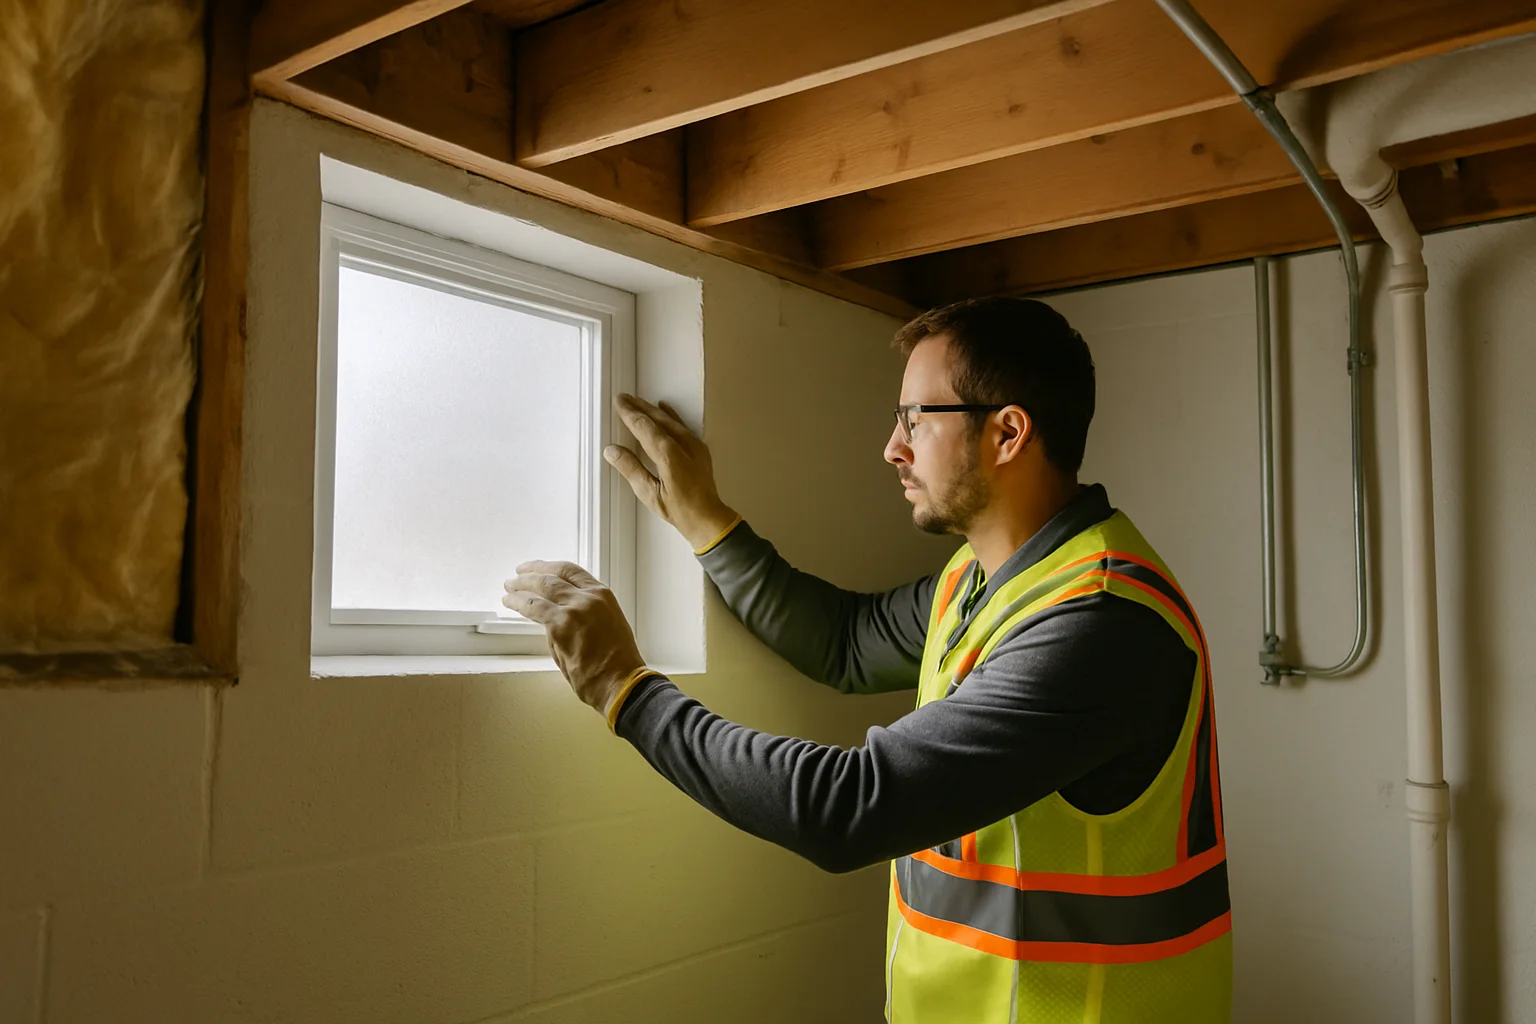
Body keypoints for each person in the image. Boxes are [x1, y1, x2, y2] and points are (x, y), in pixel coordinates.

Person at [503, 297, 1232, 1023]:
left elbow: (850, 807)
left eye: (917, 418)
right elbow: (845, 644)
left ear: (1009, 433)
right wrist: (705, 522)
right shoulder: (977, 578)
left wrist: (626, 692)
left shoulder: (1101, 621)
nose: (893, 446)